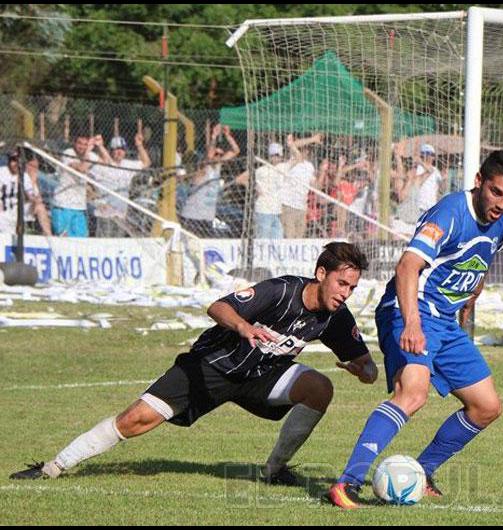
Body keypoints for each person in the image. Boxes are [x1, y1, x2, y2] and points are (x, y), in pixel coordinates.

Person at [10, 242, 379, 485]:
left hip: (261, 378)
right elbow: (217, 306)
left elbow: (367, 367)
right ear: (321, 274)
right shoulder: (280, 290)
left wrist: (364, 371)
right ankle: (52, 467)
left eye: (352, 288)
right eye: (342, 284)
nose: (345, 293)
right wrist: (243, 326)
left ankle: (274, 471)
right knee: (134, 420)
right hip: (210, 368)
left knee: (320, 388)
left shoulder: (336, 317)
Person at [327, 150, 503, 509]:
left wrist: (470, 296)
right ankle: (348, 482)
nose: (502, 204)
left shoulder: (502, 223)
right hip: (409, 310)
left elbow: (478, 262)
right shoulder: (450, 212)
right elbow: (407, 267)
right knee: (413, 392)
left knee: (487, 406)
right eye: (496, 192)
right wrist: (412, 324)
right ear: (479, 181)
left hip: (444, 321)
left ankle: (422, 470)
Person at [180, 124, 239, 236]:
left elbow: (236, 151)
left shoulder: (217, 167)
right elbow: (209, 156)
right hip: (193, 217)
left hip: (207, 218)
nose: (219, 156)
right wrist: (213, 137)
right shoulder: (204, 169)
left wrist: (228, 135)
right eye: (217, 154)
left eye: (221, 154)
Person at [93, 134, 152, 237]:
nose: (119, 152)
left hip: (121, 214)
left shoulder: (127, 164)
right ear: (110, 151)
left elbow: (146, 162)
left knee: (118, 243)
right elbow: (88, 182)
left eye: (122, 149)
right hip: (105, 213)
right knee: (104, 243)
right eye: (116, 149)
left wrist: (139, 145)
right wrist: (97, 200)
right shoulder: (102, 166)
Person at [52, 133, 102, 237]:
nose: (82, 147)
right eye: (80, 143)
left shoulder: (89, 155)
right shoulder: (68, 153)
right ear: (74, 143)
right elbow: (81, 168)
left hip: (79, 207)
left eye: (85, 144)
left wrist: (100, 146)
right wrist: (88, 151)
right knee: (63, 240)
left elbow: (107, 163)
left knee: (80, 242)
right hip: (63, 205)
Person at [235, 142, 288, 240]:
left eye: (277, 156)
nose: (276, 158)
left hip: (276, 212)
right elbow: (239, 179)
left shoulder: (283, 168)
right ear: (269, 156)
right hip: (263, 211)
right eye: (273, 156)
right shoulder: (261, 170)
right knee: (262, 242)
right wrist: (254, 187)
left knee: (278, 241)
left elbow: (297, 159)